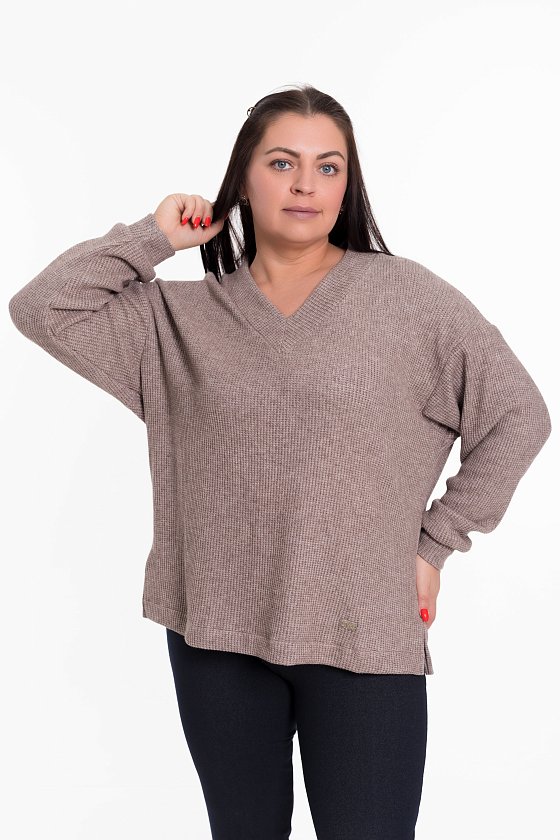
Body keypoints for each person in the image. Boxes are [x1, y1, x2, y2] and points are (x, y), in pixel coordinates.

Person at [8, 84, 552, 840]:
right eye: (282, 162)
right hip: (215, 633)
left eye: (329, 167)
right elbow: (43, 307)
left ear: (348, 185)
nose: (306, 185)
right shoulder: (179, 319)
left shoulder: (408, 300)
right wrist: (152, 237)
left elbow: (518, 414)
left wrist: (434, 544)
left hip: (362, 630)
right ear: (243, 178)